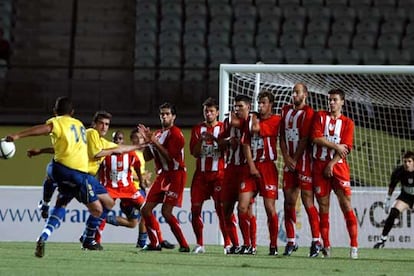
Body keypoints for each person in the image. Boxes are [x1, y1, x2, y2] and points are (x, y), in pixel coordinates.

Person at [5, 96, 115, 257]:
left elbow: (45, 130)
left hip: (59, 170)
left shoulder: (57, 122)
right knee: (99, 209)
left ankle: (44, 224)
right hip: (78, 174)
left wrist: (18, 136)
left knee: (53, 180)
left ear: (55, 111)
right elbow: (72, 148)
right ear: (72, 112)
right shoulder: (80, 126)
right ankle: (88, 239)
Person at [97, 130, 174, 250]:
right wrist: (141, 178)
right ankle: (93, 238)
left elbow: (137, 169)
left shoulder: (135, 154)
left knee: (143, 214)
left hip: (132, 189)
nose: (139, 140)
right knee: (134, 218)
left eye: (141, 138)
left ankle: (157, 240)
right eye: (116, 139)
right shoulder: (111, 153)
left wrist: (144, 181)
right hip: (118, 189)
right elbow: (105, 170)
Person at [79, 111, 142, 249]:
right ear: (94, 124)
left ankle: (87, 237)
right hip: (82, 176)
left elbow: (119, 151)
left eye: (107, 124)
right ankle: (88, 238)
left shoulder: (102, 141)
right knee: (98, 208)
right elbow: (97, 154)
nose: (104, 127)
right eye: (101, 123)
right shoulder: (91, 133)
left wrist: (138, 147)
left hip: (119, 186)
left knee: (105, 206)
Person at [311, 88, 358, 259]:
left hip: (338, 168)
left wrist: (331, 163)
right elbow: (315, 138)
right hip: (319, 167)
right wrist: (336, 146)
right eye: (330, 99)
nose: (331, 102)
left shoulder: (348, 123)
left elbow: (345, 148)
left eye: (335, 100)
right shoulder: (320, 116)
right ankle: (327, 247)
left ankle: (354, 246)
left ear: (342, 102)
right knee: (323, 208)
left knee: (346, 205)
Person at [138, 102, 190, 252]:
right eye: (162, 114)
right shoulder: (158, 134)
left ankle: (184, 245)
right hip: (162, 176)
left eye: (167, 114)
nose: (164, 117)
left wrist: (153, 141)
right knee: (145, 209)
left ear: (173, 117)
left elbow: (170, 158)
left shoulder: (176, 134)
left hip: (176, 175)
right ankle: (154, 244)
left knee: (166, 213)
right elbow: (147, 157)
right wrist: (148, 142)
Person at [280, 83, 321, 257]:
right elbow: (281, 136)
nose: (294, 95)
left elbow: (305, 139)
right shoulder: (285, 110)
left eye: (297, 92)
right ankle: (291, 241)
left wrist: (294, 159)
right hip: (289, 163)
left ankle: (316, 241)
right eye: (293, 92)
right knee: (288, 202)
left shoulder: (309, 113)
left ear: (305, 94)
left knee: (307, 202)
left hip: (303, 163)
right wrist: (287, 158)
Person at [239, 90, 281, 256]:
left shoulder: (276, 120)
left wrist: (253, 118)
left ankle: (273, 245)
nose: (261, 106)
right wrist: (251, 166)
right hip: (251, 167)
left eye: (264, 103)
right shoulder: (251, 119)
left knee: (269, 208)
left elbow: (256, 129)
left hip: (268, 167)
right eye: (259, 103)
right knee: (242, 207)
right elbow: (246, 144)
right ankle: (249, 245)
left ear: (270, 105)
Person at [189, 97, 227, 254]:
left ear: (217, 113)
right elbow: (194, 153)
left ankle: (228, 244)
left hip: (219, 176)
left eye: (211, 111)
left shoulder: (224, 128)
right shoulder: (198, 129)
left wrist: (215, 140)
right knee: (195, 209)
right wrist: (201, 141)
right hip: (201, 177)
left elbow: (227, 150)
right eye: (206, 111)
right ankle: (199, 244)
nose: (208, 114)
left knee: (222, 211)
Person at [220, 95, 256, 255]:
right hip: (230, 170)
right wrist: (228, 140)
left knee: (244, 208)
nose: (237, 109)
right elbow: (220, 142)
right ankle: (235, 244)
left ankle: (250, 245)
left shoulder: (252, 122)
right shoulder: (229, 121)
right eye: (235, 106)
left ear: (248, 106)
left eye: (240, 106)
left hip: (245, 170)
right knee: (226, 209)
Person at [373, 151, 414, 249]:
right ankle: (382, 239)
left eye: (409, 161)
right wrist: (387, 200)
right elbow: (392, 186)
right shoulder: (399, 171)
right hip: (406, 197)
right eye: (405, 161)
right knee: (393, 213)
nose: (407, 164)